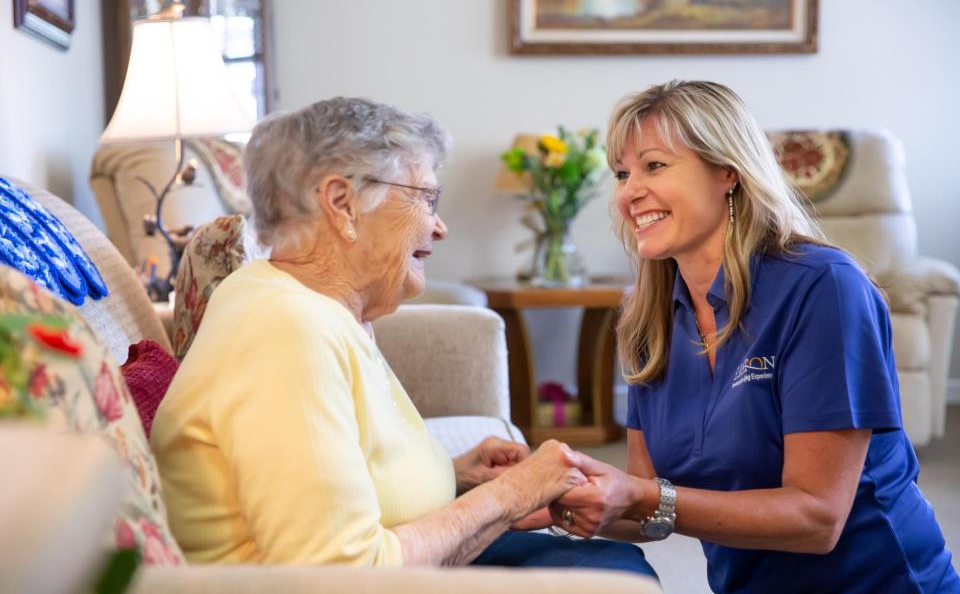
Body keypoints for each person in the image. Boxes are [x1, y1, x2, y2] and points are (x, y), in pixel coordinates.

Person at [150, 97, 656, 577]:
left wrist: (456, 475)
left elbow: (331, 470)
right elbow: (338, 575)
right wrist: (510, 496)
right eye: (426, 198)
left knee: (619, 564)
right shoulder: (286, 328)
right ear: (342, 204)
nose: (440, 227)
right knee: (619, 575)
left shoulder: (316, 306)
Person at [549, 81, 959, 593]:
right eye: (622, 173)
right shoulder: (645, 320)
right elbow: (642, 504)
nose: (629, 192)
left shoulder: (823, 288)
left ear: (727, 172)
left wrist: (642, 498)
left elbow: (817, 518)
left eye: (654, 166)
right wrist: (558, 497)